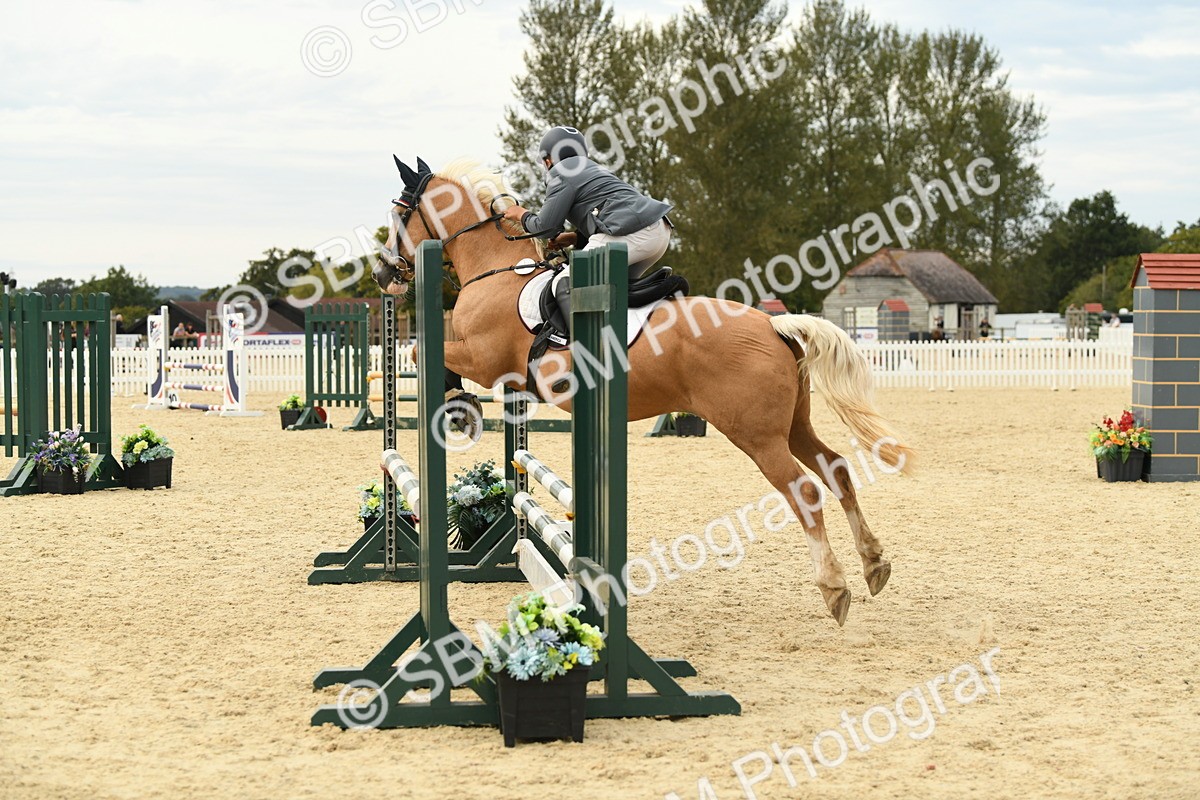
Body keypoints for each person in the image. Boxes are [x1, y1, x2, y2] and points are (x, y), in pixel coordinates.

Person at [502, 126, 673, 280]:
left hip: (636, 233)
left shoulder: (561, 172)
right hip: (658, 230)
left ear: (549, 160)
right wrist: (574, 238)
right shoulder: (592, 168)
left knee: (566, 281)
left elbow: (545, 228)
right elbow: (613, 213)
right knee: (613, 288)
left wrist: (520, 214)